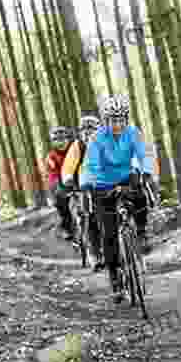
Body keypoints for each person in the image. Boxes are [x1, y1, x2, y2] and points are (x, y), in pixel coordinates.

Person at [75, 94, 155, 304]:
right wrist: (87, 184)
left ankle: (142, 230)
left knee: (139, 192)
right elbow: (90, 165)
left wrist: (146, 171)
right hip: (102, 184)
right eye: (113, 119)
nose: (117, 124)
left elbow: (143, 155)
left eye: (121, 119)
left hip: (126, 177)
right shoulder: (97, 139)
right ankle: (114, 278)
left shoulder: (133, 133)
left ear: (126, 119)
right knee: (108, 234)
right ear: (106, 120)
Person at [60, 115, 105, 272]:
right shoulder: (77, 147)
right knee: (89, 217)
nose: (88, 134)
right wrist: (68, 179)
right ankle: (95, 254)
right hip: (85, 187)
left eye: (92, 130)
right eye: (84, 130)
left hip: (107, 184)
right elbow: (67, 167)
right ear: (80, 133)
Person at [47, 126, 75, 240]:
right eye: (57, 140)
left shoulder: (74, 150)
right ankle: (67, 227)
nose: (61, 142)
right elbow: (53, 174)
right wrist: (60, 187)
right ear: (53, 142)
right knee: (61, 202)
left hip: (77, 180)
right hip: (60, 183)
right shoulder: (51, 156)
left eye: (63, 139)